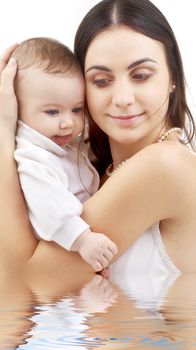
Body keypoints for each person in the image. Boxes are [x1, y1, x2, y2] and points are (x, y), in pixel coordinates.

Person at [0, 0, 196, 280]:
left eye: (141, 76)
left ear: (172, 77)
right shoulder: (89, 168)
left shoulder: (165, 165)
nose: (123, 99)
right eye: (101, 81)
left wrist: (4, 128)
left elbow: (22, 286)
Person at [12, 37, 117, 272]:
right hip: (65, 247)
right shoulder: (32, 157)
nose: (68, 123)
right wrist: (84, 241)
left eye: (77, 109)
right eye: (52, 112)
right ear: (18, 108)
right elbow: (49, 206)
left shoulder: (61, 144)